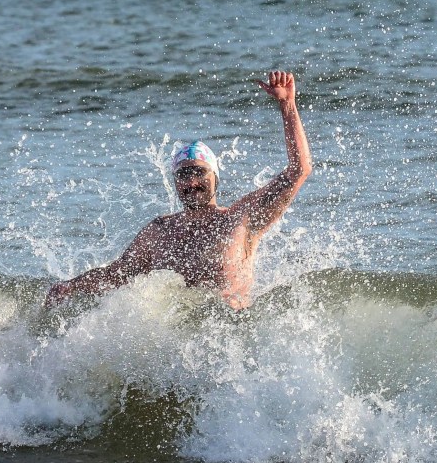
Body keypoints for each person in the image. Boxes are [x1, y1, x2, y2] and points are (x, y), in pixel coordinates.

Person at [46, 70, 312, 311]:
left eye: (199, 172)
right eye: (183, 174)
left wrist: (287, 106)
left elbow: (299, 170)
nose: (191, 181)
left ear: (215, 178)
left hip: (233, 339)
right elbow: (118, 274)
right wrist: (70, 286)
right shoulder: (160, 232)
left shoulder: (240, 220)